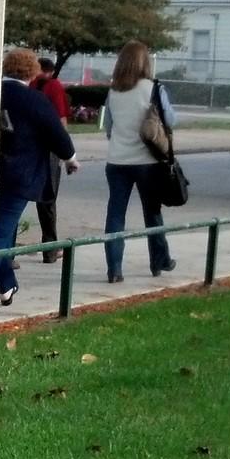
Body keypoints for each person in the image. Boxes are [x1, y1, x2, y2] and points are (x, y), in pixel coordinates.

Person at [0, 48, 79, 312]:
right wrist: (71, 158)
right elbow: (58, 135)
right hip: (20, 175)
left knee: (6, 231)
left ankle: (7, 284)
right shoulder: (35, 100)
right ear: (33, 72)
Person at [100, 40, 177, 282]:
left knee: (115, 214)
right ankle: (158, 260)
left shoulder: (113, 91)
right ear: (145, 62)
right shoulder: (153, 88)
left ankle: (114, 269)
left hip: (116, 161)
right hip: (147, 161)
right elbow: (170, 119)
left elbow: (109, 128)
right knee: (152, 212)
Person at [33, 57, 71, 262]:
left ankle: (9, 254)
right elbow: (60, 120)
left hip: (28, 148)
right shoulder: (54, 86)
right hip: (49, 150)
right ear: (51, 71)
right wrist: (67, 153)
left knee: (17, 200)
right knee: (47, 200)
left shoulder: (27, 85)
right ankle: (50, 249)